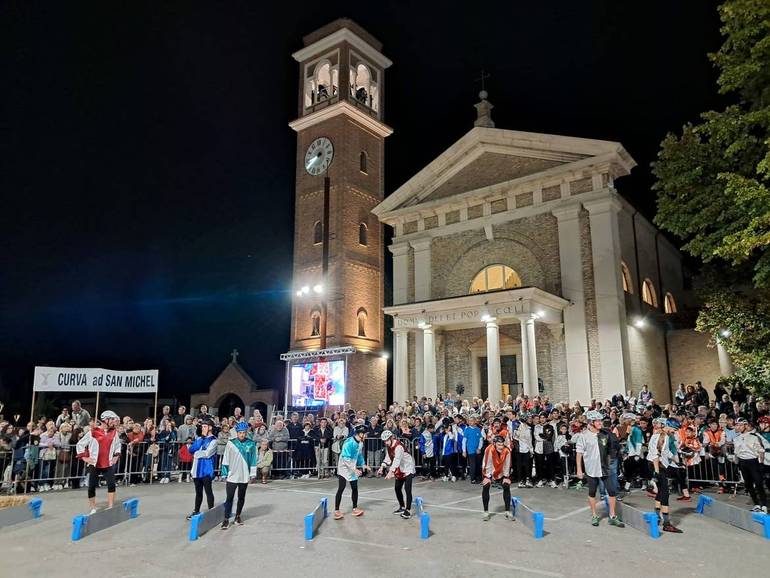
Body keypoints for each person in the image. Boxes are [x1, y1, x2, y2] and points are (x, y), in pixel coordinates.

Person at [575, 410, 624, 528]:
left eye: (600, 420)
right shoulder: (583, 436)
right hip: (591, 469)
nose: (600, 422)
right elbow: (579, 454)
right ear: (591, 422)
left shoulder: (605, 433)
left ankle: (612, 516)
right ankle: (594, 515)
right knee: (592, 492)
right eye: (597, 421)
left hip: (605, 468)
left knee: (612, 492)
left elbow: (612, 447)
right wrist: (579, 470)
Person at [76, 410, 122, 515]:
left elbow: (118, 445)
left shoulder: (114, 432)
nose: (113, 422)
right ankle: (93, 507)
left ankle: (110, 506)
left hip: (108, 463)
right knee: (92, 486)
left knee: (111, 484)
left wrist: (116, 455)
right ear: (105, 420)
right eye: (112, 419)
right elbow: (80, 444)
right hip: (95, 463)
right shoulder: (93, 432)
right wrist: (84, 458)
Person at [647, 418, 684, 532]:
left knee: (661, 493)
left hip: (659, 464)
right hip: (657, 465)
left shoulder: (664, 436)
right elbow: (655, 455)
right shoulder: (661, 437)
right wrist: (657, 473)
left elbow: (666, 452)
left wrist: (676, 461)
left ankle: (657, 516)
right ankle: (667, 523)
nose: (675, 431)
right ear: (668, 425)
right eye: (674, 429)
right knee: (665, 493)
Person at [220, 421, 257, 529]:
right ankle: (226, 519)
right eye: (240, 432)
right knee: (229, 497)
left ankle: (238, 516)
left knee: (241, 497)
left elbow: (253, 460)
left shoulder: (251, 444)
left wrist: (252, 474)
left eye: (244, 432)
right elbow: (226, 458)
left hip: (244, 475)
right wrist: (224, 473)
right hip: (232, 475)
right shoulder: (231, 444)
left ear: (246, 432)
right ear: (237, 433)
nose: (242, 434)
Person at [334, 424, 370, 520]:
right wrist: (354, 469)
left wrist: (363, 464)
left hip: (352, 467)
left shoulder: (360, 443)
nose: (366, 436)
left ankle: (355, 508)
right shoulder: (348, 443)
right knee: (341, 488)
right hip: (344, 467)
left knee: (355, 488)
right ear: (360, 433)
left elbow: (359, 455)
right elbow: (345, 458)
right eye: (365, 434)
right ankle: (336, 511)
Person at [378, 430, 416, 519]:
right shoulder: (389, 446)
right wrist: (382, 467)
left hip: (408, 467)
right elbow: (388, 457)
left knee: (407, 489)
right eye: (384, 441)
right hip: (400, 468)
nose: (386, 443)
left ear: (392, 438)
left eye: (387, 440)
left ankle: (408, 510)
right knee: (397, 488)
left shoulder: (398, 446)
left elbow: (397, 460)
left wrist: (391, 472)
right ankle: (402, 507)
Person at [733, 417, 768, 513]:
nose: (739, 427)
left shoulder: (754, 436)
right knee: (748, 485)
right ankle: (756, 504)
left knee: (759, 484)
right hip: (743, 463)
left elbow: (761, 450)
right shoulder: (736, 439)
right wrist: (736, 464)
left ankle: (764, 505)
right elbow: (736, 453)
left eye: (740, 425)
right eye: (737, 425)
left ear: (745, 425)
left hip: (753, 462)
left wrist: (761, 463)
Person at [186, 418, 217, 520]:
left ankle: (211, 511)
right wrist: (200, 442)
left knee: (208, 491)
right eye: (202, 426)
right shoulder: (200, 439)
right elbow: (191, 450)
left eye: (205, 426)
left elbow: (207, 454)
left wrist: (197, 453)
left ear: (210, 427)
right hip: (197, 470)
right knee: (198, 492)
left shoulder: (213, 440)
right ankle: (196, 510)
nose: (203, 428)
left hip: (206, 470)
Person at [481, 435, 513, 521]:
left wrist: (506, 476)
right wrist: (487, 477)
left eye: (502, 444)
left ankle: (507, 511)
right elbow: (487, 464)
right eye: (499, 445)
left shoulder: (507, 451)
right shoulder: (489, 449)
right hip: (489, 471)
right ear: (494, 444)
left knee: (506, 486)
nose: (501, 447)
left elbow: (507, 465)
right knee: (486, 486)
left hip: (501, 472)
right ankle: (486, 512)